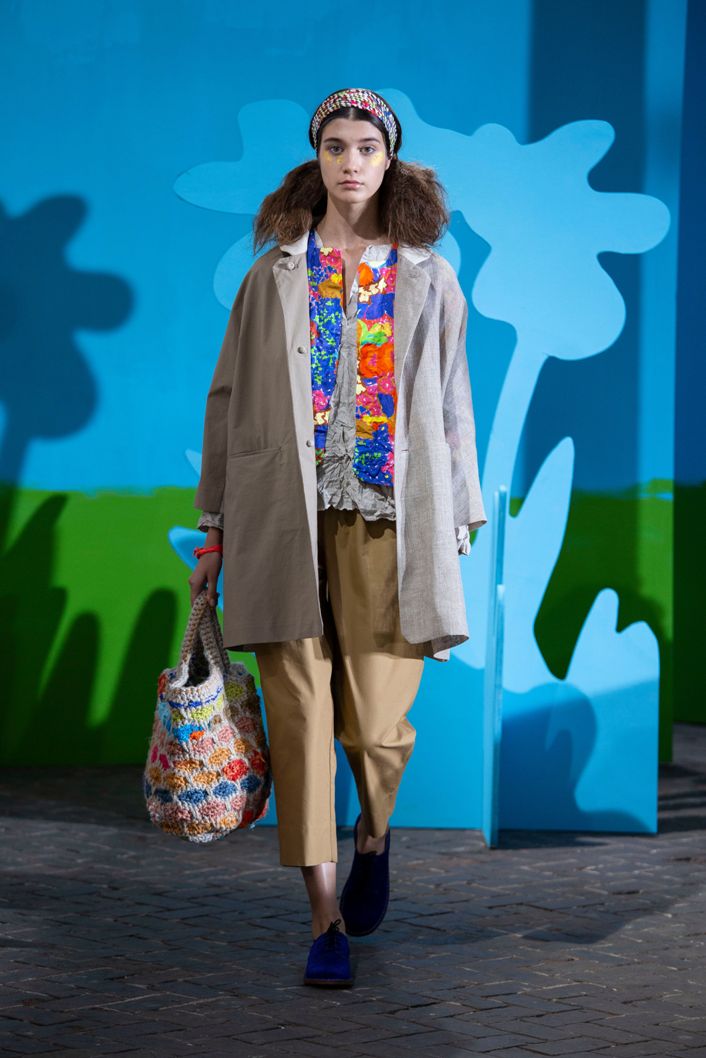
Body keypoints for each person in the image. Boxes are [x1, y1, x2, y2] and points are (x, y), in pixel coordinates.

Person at [189, 87, 487, 987]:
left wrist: (460, 515)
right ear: (314, 157)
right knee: (300, 715)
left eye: (366, 147)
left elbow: (452, 403)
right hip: (281, 517)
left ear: (390, 160)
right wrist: (215, 530)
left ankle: (375, 835)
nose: (351, 162)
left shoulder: (429, 275)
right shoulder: (271, 275)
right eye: (335, 146)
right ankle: (325, 921)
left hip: (391, 518)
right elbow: (226, 401)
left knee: (378, 725)